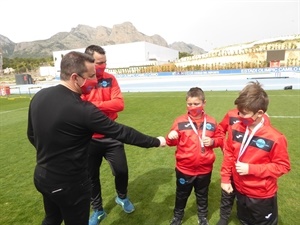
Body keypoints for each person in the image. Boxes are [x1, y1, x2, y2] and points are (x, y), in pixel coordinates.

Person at [27, 51, 166, 225]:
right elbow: (121, 132)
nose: (95, 80)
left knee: (52, 218)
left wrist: (52, 154)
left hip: (42, 176)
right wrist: (156, 141)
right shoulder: (83, 109)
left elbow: (31, 135)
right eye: (91, 75)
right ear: (75, 78)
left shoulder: (39, 96)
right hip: (70, 184)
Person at [220, 81, 291, 225]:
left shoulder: (275, 138)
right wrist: (226, 179)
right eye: (238, 111)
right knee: (244, 221)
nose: (239, 116)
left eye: (244, 113)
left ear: (260, 113)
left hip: (261, 196)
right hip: (240, 191)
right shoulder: (235, 128)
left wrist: (251, 169)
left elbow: (283, 166)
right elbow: (229, 154)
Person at [80, 45, 133, 225]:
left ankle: (122, 197)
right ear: (89, 62)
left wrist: (94, 106)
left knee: (122, 171)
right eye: (100, 63)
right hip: (88, 138)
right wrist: (103, 105)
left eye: (105, 62)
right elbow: (80, 108)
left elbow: (119, 104)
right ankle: (98, 210)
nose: (103, 65)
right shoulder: (83, 82)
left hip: (112, 135)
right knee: (91, 177)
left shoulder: (110, 79)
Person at [166, 87, 223, 225]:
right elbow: (170, 142)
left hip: (204, 169)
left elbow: (221, 138)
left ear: (204, 102)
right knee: (181, 195)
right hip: (184, 169)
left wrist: (213, 141)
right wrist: (170, 137)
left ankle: (202, 217)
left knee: (202, 195)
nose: (192, 107)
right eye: (189, 104)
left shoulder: (211, 122)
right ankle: (178, 217)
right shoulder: (179, 121)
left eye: (196, 104)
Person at [216, 107, 270, 225]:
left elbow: (265, 140)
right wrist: (224, 145)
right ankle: (224, 217)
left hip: (249, 165)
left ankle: (248, 215)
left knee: (245, 192)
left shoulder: (264, 119)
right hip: (232, 161)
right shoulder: (231, 114)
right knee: (227, 191)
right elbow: (220, 129)